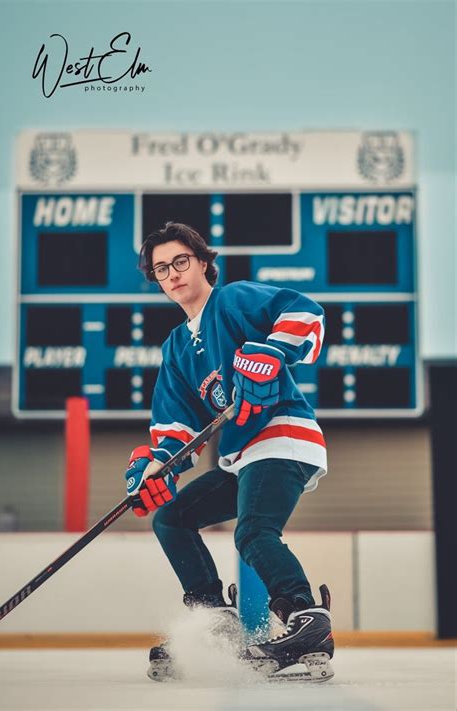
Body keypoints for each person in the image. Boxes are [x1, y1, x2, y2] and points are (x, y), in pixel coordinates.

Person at [124, 222, 334, 681]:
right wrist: (154, 469)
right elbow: (176, 428)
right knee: (172, 518)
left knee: (254, 532)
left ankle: (306, 621)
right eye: (161, 269)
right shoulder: (177, 347)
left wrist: (273, 352)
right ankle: (215, 619)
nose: (173, 274)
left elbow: (305, 313)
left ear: (202, 262)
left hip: (282, 437)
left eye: (180, 261)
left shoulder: (233, 299)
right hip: (241, 457)